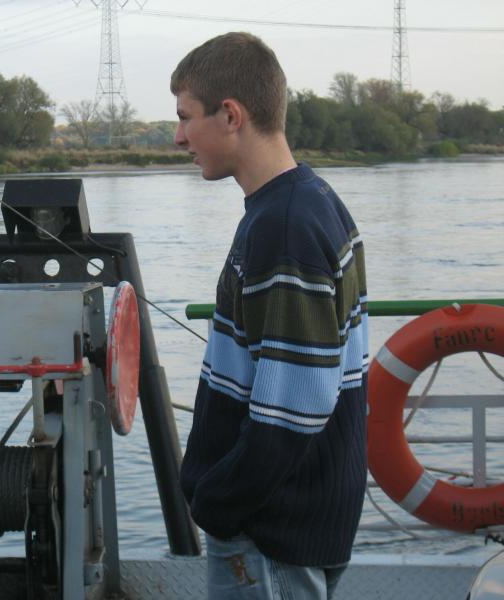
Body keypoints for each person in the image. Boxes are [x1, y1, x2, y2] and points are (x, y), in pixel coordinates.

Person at [171, 33, 369, 600]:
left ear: (231, 115)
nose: (179, 137)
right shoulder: (313, 200)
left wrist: (218, 502)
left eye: (185, 117)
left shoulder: (283, 227)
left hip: (269, 531)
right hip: (298, 519)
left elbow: (295, 409)